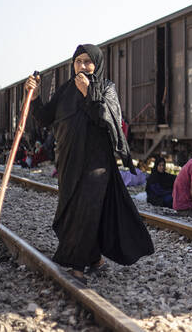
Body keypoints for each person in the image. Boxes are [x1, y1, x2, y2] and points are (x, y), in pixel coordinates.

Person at [26, 44, 154, 283]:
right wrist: (35, 98)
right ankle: (96, 259)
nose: (83, 66)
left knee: (86, 210)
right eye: (78, 62)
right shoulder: (65, 91)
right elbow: (45, 118)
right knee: (72, 211)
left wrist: (89, 93)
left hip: (96, 164)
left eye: (88, 61)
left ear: (97, 63)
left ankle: (77, 267)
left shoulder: (106, 88)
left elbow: (109, 121)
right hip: (68, 163)